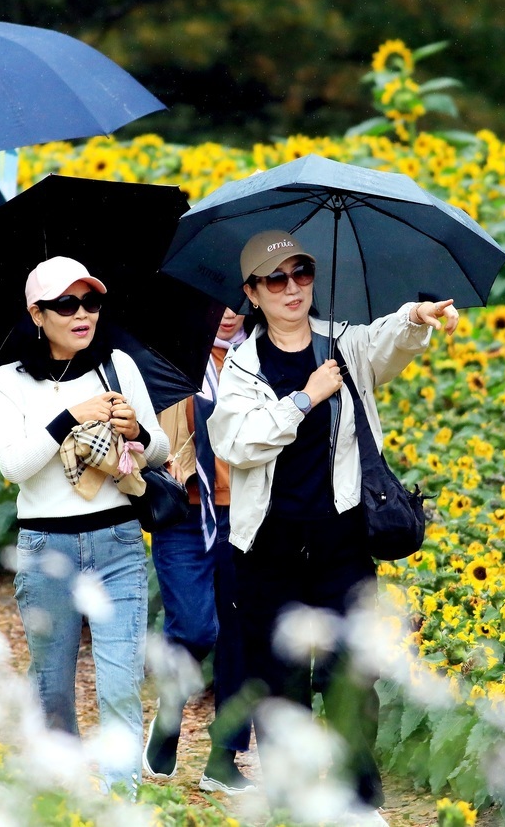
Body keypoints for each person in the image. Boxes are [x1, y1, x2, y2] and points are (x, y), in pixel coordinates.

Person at [208, 230, 458, 823]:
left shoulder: (342, 344)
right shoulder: (242, 367)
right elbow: (237, 444)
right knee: (282, 682)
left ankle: (358, 797)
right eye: (276, 280)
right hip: (267, 547)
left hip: (342, 539)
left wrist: (416, 317)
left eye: (301, 274)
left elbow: (387, 344)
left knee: (353, 674)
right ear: (252, 293)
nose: (293, 288)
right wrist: (304, 398)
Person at [0, 256, 168, 794]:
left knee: (119, 686)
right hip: (47, 547)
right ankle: (60, 795)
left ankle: (120, 802)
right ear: (37, 315)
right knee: (53, 688)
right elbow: (13, 466)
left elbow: (157, 450)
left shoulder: (119, 367)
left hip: (118, 543)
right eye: (66, 305)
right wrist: (71, 416)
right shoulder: (9, 381)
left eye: (90, 302)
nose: (82, 314)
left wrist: (136, 428)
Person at [146, 307, 253, 793]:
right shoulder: (171, 353)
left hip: (249, 513)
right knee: (192, 628)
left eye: (236, 300)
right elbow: (149, 432)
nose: (228, 313)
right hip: (187, 514)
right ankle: (169, 715)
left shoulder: (262, 353)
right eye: (216, 301)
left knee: (242, 637)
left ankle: (224, 757)